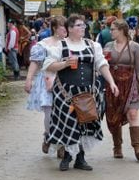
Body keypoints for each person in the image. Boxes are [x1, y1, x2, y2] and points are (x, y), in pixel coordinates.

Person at [44, 14, 119, 171]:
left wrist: (111, 82)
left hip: (88, 92)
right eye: (78, 25)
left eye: (84, 25)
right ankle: (67, 156)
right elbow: (48, 66)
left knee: (85, 123)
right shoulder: (60, 46)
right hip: (66, 93)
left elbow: (102, 64)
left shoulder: (92, 45)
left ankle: (80, 158)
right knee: (68, 123)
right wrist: (65, 63)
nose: (82, 28)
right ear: (69, 29)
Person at [103, 19, 139, 161]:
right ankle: (117, 147)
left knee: (133, 114)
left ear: (121, 30)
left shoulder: (134, 47)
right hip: (113, 85)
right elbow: (103, 66)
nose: (110, 32)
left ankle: (137, 147)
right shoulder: (108, 46)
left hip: (130, 85)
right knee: (114, 116)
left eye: (112, 29)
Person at [24, 15, 68, 154]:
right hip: (47, 80)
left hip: (65, 81)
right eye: (63, 27)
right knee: (49, 112)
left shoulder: (70, 43)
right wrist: (29, 79)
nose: (66, 29)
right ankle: (48, 135)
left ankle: (61, 144)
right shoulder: (44, 44)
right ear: (55, 28)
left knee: (64, 113)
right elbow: (35, 62)